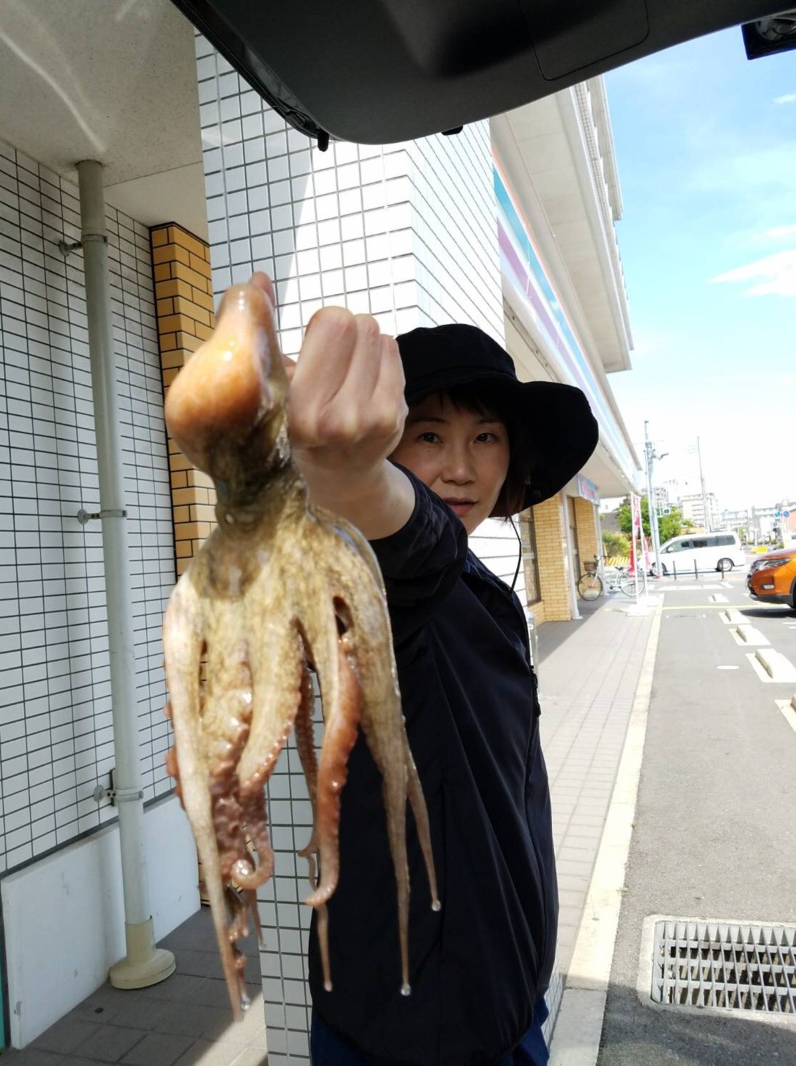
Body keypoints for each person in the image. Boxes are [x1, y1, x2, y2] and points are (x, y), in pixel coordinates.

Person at [270, 274, 599, 1066]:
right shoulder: (374, 579)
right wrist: (349, 480)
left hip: (503, 993)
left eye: (486, 437)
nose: (460, 467)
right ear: (387, 440)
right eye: (428, 435)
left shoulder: (486, 589)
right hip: (413, 1028)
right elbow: (404, 556)